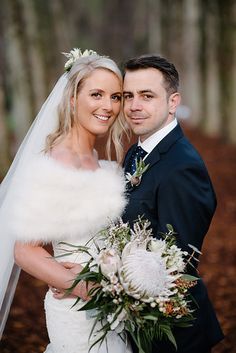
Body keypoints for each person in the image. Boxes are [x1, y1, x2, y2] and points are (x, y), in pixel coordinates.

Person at [0, 49, 132, 353]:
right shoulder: (55, 164)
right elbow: (25, 250)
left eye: (115, 97)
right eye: (96, 94)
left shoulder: (103, 161)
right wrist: (82, 286)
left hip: (115, 310)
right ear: (73, 99)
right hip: (77, 313)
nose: (108, 106)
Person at [122, 54, 224, 353]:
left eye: (147, 96)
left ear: (173, 101)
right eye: (128, 96)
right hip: (137, 325)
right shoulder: (137, 151)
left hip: (171, 334)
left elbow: (177, 261)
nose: (134, 106)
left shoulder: (182, 167)